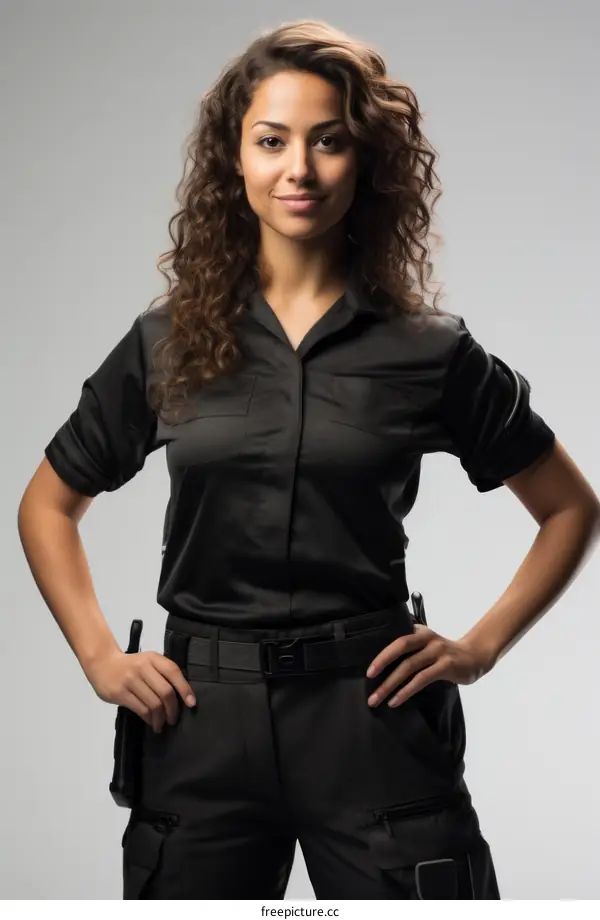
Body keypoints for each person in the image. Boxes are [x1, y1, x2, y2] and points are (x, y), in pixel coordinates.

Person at [18, 19, 600, 901]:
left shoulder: (429, 350)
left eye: (328, 141)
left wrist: (478, 649)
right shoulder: (168, 342)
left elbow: (570, 506)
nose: (300, 168)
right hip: (199, 722)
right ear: (236, 160)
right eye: (272, 141)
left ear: (363, 160)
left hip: (370, 719)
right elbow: (47, 504)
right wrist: (100, 656)